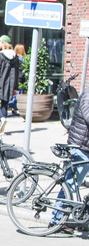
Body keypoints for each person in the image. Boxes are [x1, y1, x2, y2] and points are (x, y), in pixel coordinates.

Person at [51, 89, 89, 233]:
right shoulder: (88, 95)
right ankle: (56, 221)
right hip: (81, 146)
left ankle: (84, 216)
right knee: (71, 185)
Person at [0, 35, 19, 123]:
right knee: (4, 105)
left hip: (0, 83)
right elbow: (17, 72)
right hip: (10, 84)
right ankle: (3, 126)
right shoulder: (15, 56)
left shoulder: (0, 56)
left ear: (3, 43)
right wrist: (15, 87)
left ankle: (2, 119)